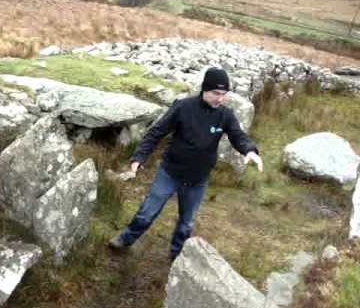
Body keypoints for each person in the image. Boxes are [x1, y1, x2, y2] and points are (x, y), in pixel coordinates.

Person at [108, 68, 264, 261]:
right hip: (169, 172)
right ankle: (125, 239)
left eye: (224, 94)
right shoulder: (183, 107)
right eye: (216, 93)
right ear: (204, 89)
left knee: (186, 224)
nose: (220, 99)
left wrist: (250, 150)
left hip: (198, 180)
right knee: (146, 213)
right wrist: (139, 157)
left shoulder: (225, 115)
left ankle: (176, 255)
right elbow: (156, 132)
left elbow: (238, 136)